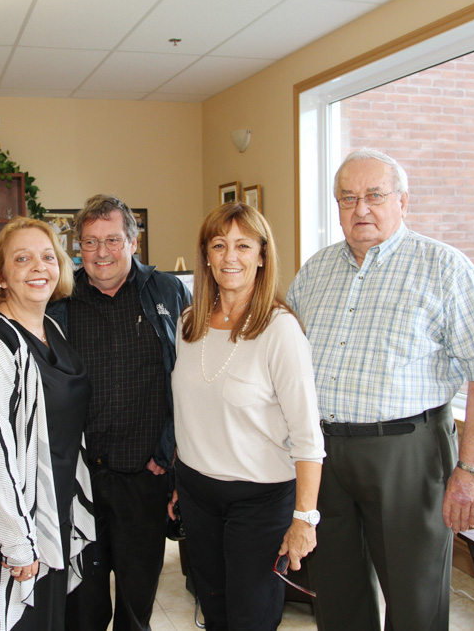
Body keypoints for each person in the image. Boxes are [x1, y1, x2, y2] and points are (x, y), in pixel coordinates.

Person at [286, 148, 474, 631]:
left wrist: (472, 470)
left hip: (408, 454)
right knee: (338, 598)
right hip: (325, 454)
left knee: (415, 601)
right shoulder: (315, 271)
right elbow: (285, 364)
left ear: (403, 202)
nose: (360, 209)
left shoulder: (445, 268)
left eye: (374, 195)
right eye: (347, 198)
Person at [169, 201, 324, 631]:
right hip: (198, 494)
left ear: (262, 254)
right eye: (219, 245)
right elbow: (189, 412)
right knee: (215, 611)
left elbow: (309, 437)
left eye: (242, 245)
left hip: (259, 499)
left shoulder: (280, 330)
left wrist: (304, 519)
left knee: (250, 618)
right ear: (206, 255)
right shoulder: (188, 325)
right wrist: (183, 481)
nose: (229, 256)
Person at [47, 194, 191, 631]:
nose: (102, 252)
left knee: (135, 605)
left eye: (112, 239)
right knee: (83, 609)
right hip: (80, 482)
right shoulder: (60, 298)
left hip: (143, 478)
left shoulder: (167, 291)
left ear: (133, 241)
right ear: (78, 247)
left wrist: (166, 456)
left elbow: (189, 380)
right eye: (90, 242)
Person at [0, 217, 94, 631]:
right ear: (1, 278)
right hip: (8, 527)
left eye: (48, 257)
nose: (39, 267)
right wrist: (17, 542)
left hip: (53, 510)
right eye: (23, 258)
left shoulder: (51, 328)